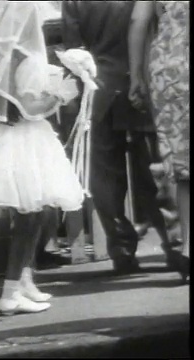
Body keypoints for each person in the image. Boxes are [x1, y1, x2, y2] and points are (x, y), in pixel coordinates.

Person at [0, 1, 86, 315]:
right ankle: (10, 291)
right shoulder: (26, 59)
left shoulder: (4, 58)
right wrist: (61, 94)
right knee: (29, 217)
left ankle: (24, 281)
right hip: (24, 139)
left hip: (16, 138)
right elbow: (29, 107)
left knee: (37, 214)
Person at [61, 1, 175, 274]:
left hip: (98, 89)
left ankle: (121, 249)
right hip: (142, 84)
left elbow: (73, 50)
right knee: (154, 172)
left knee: (105, 178)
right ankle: (176, 246)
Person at [128, 1, 190, 283]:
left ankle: (189, 244)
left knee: (183, 165)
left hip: (167, 70)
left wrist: (136, 75)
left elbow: (137, 22)